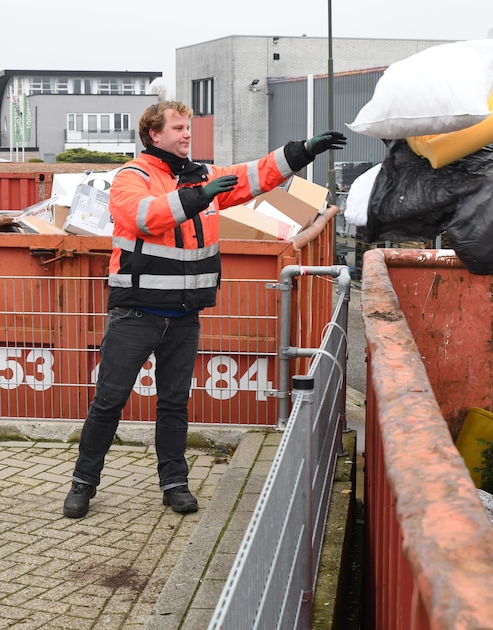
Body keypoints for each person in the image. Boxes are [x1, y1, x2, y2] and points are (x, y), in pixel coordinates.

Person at [64, 100, 346, 518]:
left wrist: (302, 149)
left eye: (188, 128)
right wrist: (198, 196)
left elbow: (255, 174)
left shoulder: (203, 177)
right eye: (177, 128)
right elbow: (142, 216)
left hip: (183, 317)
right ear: (153, 134)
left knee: (174, 404)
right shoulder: (132, 177)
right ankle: (83, 484)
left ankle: (175, 484)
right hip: (135, 316)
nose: (186, 134)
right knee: (109, 401)